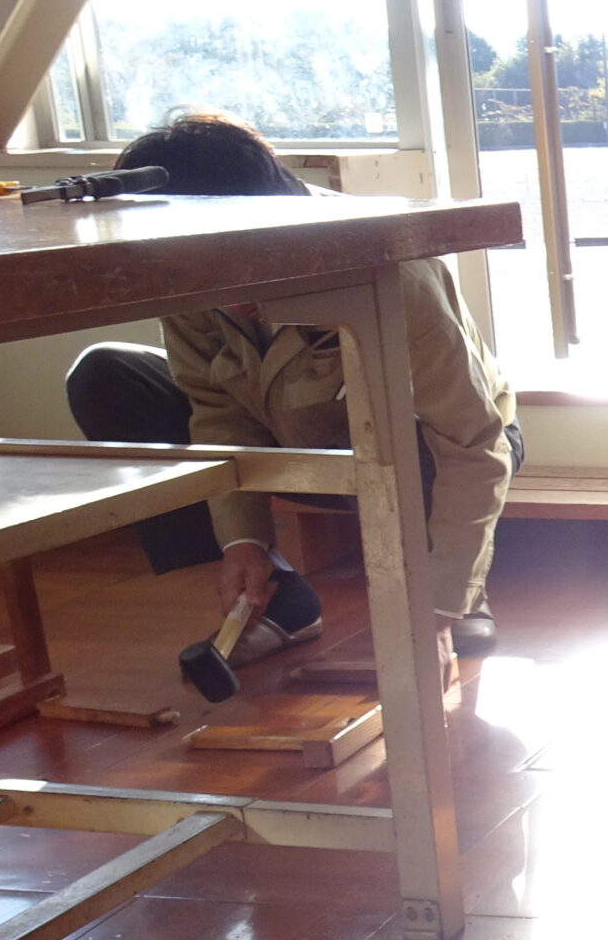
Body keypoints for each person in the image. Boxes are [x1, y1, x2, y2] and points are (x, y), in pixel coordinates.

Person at [65, 111, 520, 677]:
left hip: (422, 444)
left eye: (233, 264)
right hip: (289, 440)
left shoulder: (393, 268)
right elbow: (217, 410)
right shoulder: (178, 258)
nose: (224, 294)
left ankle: (454, 589)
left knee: (418, 459)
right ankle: (273, 594)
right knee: (107, 376)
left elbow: (471, 443)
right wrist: (243, 541)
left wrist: (439, 606)